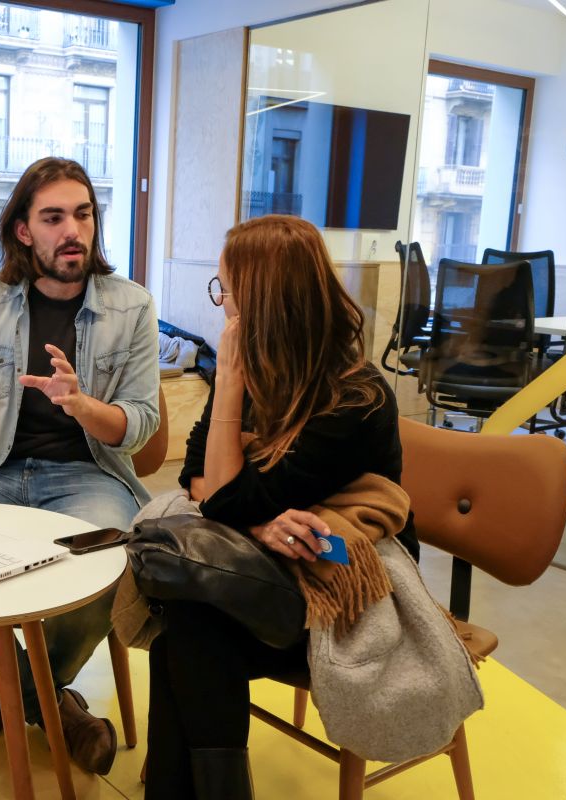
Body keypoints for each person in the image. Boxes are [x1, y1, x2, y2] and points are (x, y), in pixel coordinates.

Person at [144, 215, 419, 799]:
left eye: (226, 291)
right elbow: (197, 476)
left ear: (264, 304)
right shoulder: (259, 370)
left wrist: (229, 386)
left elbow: (223, 498)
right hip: (275, 564)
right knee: (187, 630)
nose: (221, 306)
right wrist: (259, 521)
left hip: (346, 579)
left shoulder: (355, 398)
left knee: (191, 626)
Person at [0, 157, 160, 775]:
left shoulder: (132, 306)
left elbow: (141, 423)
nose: (72, 230)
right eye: (53, 218)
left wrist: (82, 405)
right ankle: (51, 707)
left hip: (87, 476)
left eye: (83, 214)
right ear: (24, 231)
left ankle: (6, 695)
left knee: (115, 561)